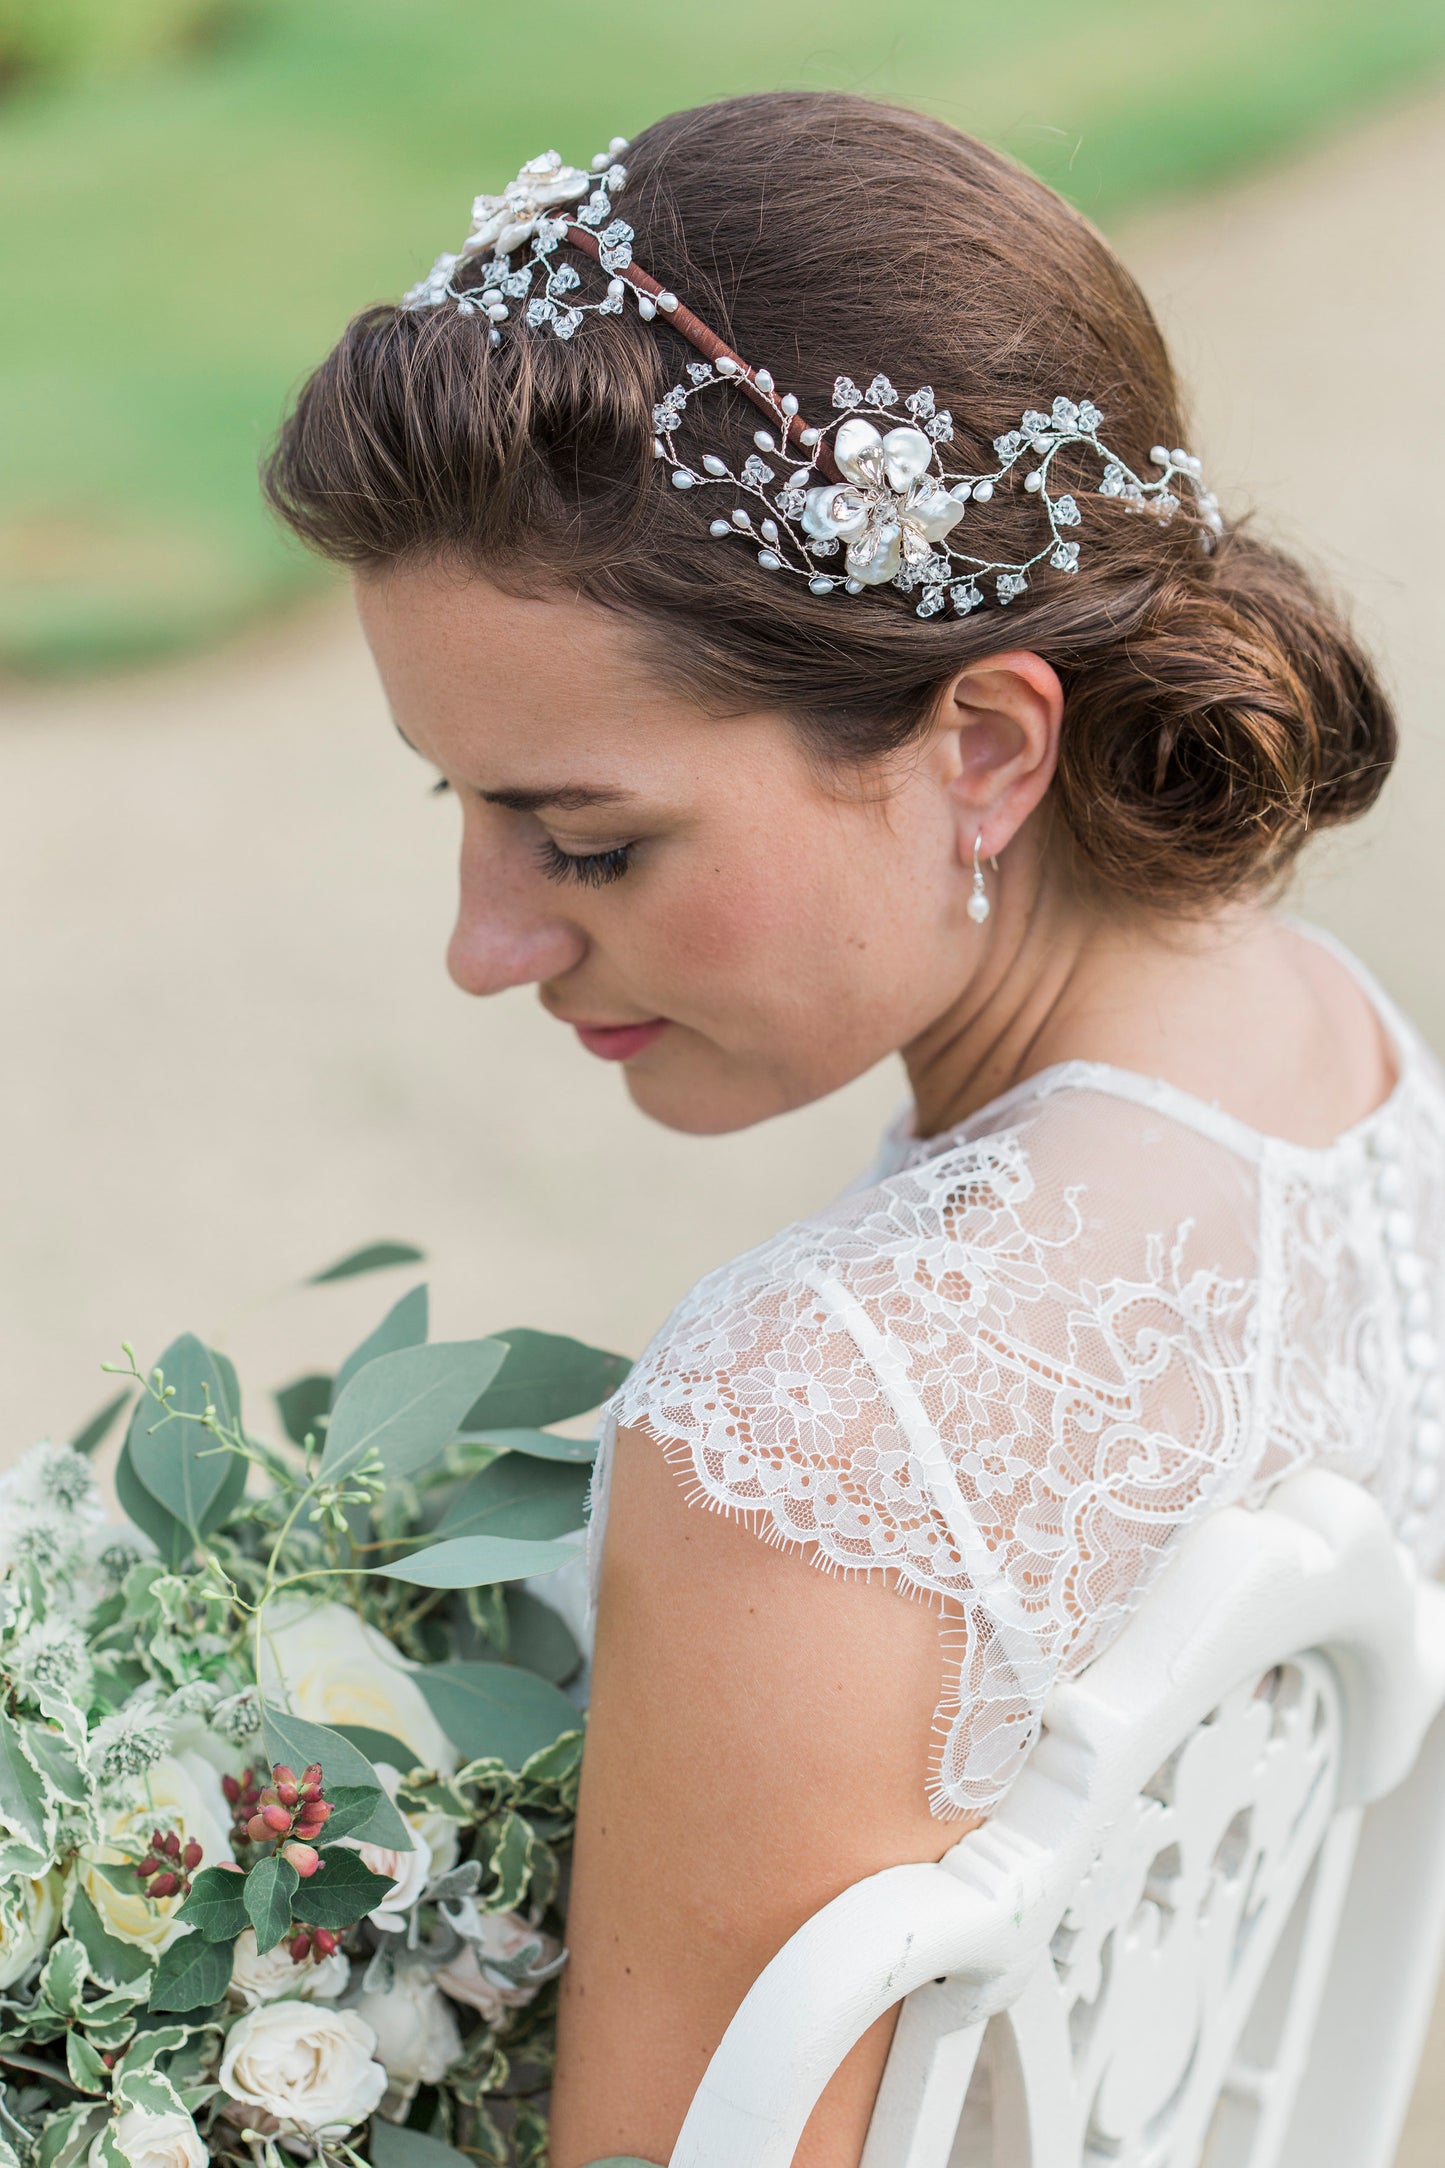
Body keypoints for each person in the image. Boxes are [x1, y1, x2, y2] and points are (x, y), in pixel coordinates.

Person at [261, 91, 1444, 2167]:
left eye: (587, 837)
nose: (482, 940)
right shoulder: (1331, 1056)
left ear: (982, 742)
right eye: (448, 800)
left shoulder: (813, 1432)